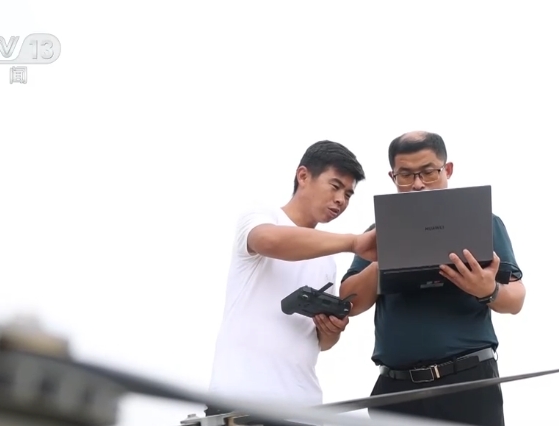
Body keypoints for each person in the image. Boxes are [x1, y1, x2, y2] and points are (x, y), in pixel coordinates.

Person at [339, 131, 526, 426]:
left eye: (428, 172)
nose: (417, 184)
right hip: (395, 389)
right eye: (405, 175)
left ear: (447, 169)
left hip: (469, 384)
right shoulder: (377, 233)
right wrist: (385, 257)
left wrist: (488, 290)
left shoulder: (483, 223)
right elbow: (349, 301)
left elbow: (516, 299)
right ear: (392, 176)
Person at [205, 140, 377, 416]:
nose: (341, 200)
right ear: (303, 176)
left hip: (303, 407)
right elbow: (269, 241)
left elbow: (321, 342)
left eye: (348, 194)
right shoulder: (262, 216)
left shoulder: (327, 260)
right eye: (335, 186)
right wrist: (354, 242)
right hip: (240, 399)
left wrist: (331, 330)